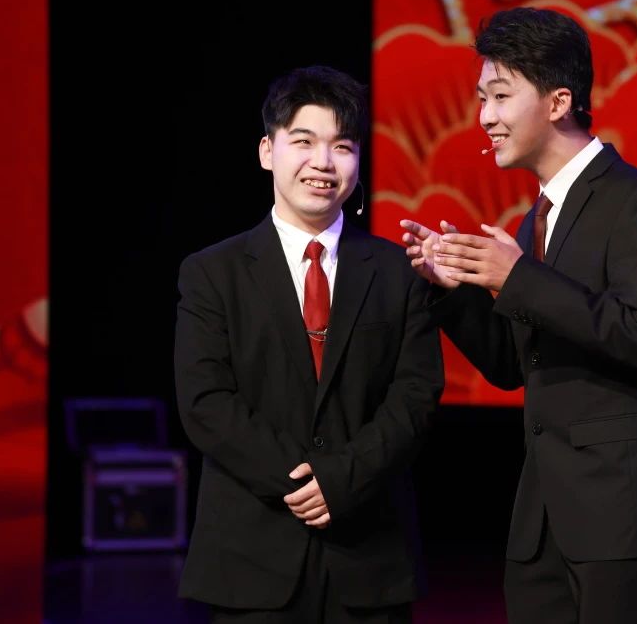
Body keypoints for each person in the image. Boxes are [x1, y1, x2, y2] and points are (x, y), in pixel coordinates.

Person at [401, 7, 637, 623]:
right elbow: (513, 365)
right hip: (546, 524)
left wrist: (518, 277)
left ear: (558, 102)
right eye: (482, 99)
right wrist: (454, 290)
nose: (485, 117)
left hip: (629, 522)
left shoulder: (636, 202)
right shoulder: (537, 220)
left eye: (500, 96)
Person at [175, 65, 443, 623]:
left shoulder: (399, 271)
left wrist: (341, 480)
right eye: (303, 142)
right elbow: (206, 402)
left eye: (342, 147)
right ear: (267, 151)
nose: (323, 162)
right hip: (250, 559)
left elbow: (415, 397)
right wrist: (301, 481)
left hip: (370, 557)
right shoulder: (213, 272)